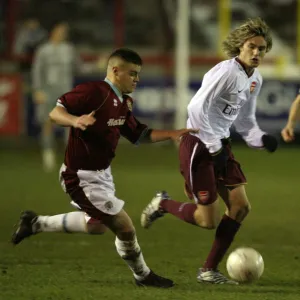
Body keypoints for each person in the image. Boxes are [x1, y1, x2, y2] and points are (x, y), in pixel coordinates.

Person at [11, 48, 198, 288]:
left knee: (96, 226)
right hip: (80, 176)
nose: (137, 79)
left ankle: (35, 223)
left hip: (102, 175)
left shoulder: (124, 102)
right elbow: (55, 113)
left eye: (138, 74)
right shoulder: (94, 92)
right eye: (132, 73)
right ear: (115, 71)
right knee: (125, 226)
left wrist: (173, 133)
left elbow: (140, 135)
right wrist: (75, 120)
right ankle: (143, 275)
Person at [140, 17, 278, 284]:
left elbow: (246, 120)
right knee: (207, 221)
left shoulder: (255, 79)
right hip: (199, 146)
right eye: (252, 46)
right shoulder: (225, 72)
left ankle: (207, 271)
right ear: (240, 46)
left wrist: (260, 139)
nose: (257, 53)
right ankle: (163, 204)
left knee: (240, 207)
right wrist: (214, 148)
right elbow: (195, 109)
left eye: (262, 49)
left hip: (219, 145)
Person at [32, 22, 80, 172]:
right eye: (60, 31)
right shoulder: (43, 50)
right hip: (47, 91)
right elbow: (37, 70)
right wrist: (37, 90)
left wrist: (97, 65)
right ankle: (48, 153)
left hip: (65, 92)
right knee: (47, 123)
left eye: (64, 31)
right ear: (53, 32)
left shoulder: (69, 50)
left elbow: (78, 67)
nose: (63, 34)